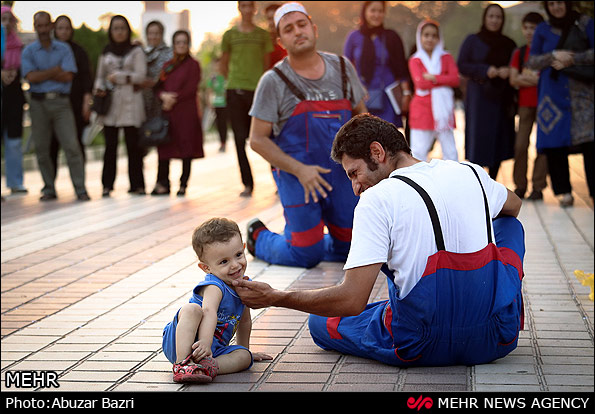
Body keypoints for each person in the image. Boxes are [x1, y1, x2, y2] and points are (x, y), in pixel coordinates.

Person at [234, 113, 525, 367]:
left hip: (419, 344)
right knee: (509, 226)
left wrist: (276, 297)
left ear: (377, 152)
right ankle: (489, 302)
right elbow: (513, 207)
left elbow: (351, 300)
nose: (356, 187)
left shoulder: (376, 199)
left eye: (354, 173)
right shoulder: (469, 172)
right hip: (496, 337)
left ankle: (405, 310)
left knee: (321, 322)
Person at [246, 2, 367, 269]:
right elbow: (257, 139)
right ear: (281, 40)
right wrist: (300, 170)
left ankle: (311, 237)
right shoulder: (273, 81)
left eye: (302, 25)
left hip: (342, 176)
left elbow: (362, 118)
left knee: (352, 249)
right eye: (288, 29)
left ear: (313, 28)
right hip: (297, 177)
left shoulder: (343, 68)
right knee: (306, 256)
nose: (297, 31)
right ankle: (260, 237)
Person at [162, 217, 272, 383]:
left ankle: (207, 366)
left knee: (244, 357)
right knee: (192, 310)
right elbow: (208, 312)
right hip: (182, 342)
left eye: (238, 255)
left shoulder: (244, 287)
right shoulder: (214, 286)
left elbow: (244, 322)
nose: (235, 265)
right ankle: (182, 363)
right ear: (206, 268)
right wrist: (205, 342)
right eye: (224, 261)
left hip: (213, 350)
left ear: (243, 249)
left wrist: (244, 349)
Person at [527, 1, 593, 207]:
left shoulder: (584, 23)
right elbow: (532, 61)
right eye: (552, 4)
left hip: (582, 94)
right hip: (552, 96)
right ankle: (563, 192)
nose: (556, 7)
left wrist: (572, 59)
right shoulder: (543, 29)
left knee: (590, 143)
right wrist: (553, 56)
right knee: (555, 143)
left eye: (560, 2)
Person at [21, 11, 89, 201]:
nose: (42, 30)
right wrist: (55, 71)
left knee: (72, 145)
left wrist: (42, 73)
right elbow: (30, 77)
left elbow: (69, 75)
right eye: (39, 26)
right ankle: (49, 188)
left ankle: (80, 188)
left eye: (45, 25)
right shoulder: (29, 51)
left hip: (61, 103)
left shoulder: (63, 49)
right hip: (38, 103)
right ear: (35, 27)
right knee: (42, 148)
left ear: (51, 26)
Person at [458, 3, 517, 180]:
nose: (494, 20)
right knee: (478, 138)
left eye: (498, 17)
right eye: (491, 16)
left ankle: (494, 180)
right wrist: (485, 70)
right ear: (485, 18)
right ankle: (477, 180)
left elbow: (517, 66)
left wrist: (509, 71)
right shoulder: (472, 41)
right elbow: (462, 65)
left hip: (501, 98)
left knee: (498, 139)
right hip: (479, 97)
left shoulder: (509, 44)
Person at [221, 1, 273, 197]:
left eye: (250, 6)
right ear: (239, 8)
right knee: (239, 140)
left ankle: (277, 180)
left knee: (265, 137)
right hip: (235, 92)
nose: (247, 10)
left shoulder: (263, 35)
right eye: (243, 6)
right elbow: (224, 63)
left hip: (258, 93)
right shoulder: (229, 35)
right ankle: (248, 184)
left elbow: (267, 66)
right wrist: (233, 83)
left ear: (254, 9)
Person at [94, 15, 147, 197]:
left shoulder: (137, 51)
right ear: (111, 31)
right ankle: (107, 185)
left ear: (128, 30)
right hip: (111, 105)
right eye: (115, 28)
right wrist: (100, 88)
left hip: (131, 103)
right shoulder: (106, 51)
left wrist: (120, 77)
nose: (119, 32)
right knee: (110, 146)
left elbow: (141, 76)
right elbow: (99, 77)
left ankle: (137, 184)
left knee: (133, 146)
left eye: (122, 28)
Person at [151, 30, 204, 197]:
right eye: (178, 42)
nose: (181, 45)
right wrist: (163, 96)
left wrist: (174, 98)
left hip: (186, 113)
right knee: (165, 147)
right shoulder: (168, 66)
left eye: (184, 42)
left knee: (186, 147)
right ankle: (163, 183)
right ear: (173, 45)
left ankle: (183, 184)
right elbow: (157, 87)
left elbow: (191, 87)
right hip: (169, 112)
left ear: (188, 44)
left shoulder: (193, 64)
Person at [344, 1, 411, 127]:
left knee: (388, 137)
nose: (377, 14)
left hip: (388, 96)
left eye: (380, 11)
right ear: (364, 12)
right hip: (363, 96)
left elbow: (401, 69)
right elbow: (346, 67)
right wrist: (357, 88)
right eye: (373, 11)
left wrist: (406, 93)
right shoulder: (354, 37)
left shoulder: (391, 36)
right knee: (364, 135)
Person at [408, 19, 459, 162]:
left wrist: (434, 78)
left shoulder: (446, 57)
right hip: (422, 110)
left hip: (443, 111)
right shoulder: (415, 60)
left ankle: (454, 181)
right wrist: (443, 79)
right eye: (426, 35)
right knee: (418, 152)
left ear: (439, 38)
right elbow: (421, 83)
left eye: (434, 36)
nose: (430, 39)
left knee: (450, 152)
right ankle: (418, 183)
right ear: (420, 37)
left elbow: (455, 79)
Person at [509, 12, 548, 201]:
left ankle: (538, 186)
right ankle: (520, 185)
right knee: (521, 144)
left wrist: (526, 78)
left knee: (543, 145)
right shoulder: (520, 52)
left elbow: (547, 79)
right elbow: (513, 78)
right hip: (525, 105)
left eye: (534, 27)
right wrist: (535, 79)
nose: (530, 31)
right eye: (526, 27)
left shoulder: (546, 51)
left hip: (545, 105)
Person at [49, 15, 94, 177]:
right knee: (52, 144)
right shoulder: (48, 50)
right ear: (54, 30)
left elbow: (86, 78)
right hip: (53, 104)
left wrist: (86, 102)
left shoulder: (79, 52)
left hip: (74, 104)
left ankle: (79, 182)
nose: (64, 31)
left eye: (67, 28)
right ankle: (50, 185)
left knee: (75, 143)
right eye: (60, 28)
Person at [1, 6, 27, 195]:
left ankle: (15, 182)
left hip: (14, 96)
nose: (7, 23)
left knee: (14, 141)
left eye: (10, 19)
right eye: (3, 19)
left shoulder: (19, 44)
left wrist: (11, 73)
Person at [140, 20, 172, 121]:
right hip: (143, 100)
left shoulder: (170, 53)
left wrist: (155, 82)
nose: (153, 37)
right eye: (150, 33)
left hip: (162, 99)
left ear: (162, 34)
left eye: (156, 33)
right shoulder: (141, 52)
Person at [206, 57, 228, 153]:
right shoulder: (214, 78)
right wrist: (209, 103)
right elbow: (209, 91)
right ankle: (222, 143)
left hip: (227, 104)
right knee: (220, 124)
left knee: (226, 123)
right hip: (217, 104)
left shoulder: (226, 76)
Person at [264, 3, 287, 69]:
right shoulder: (264, 43)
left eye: (274, 18)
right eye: (269, 19)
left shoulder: (292, 40)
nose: (271, 23)